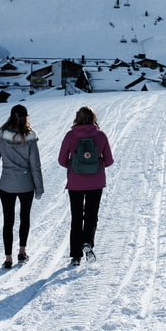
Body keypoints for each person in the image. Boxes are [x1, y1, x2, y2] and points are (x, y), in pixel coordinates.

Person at [0, 104, 44, 269]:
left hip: (6, 184)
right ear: (26, 117)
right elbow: (35, 165)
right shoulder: (30, 138)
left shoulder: (1, 137)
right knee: (24, 217)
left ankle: (8, 258)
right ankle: (22, 251)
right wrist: (39, 188)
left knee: (8, 220)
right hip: (26, 184)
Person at [58, 106, 114, 266]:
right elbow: (109, 161)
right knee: (91, 216)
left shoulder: (70, 136)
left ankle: (75, 256)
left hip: (75, 183)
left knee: (76, 218)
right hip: (96, 183)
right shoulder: (101, 135)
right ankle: (87, 242)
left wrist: (74, 166)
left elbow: (61, 160)